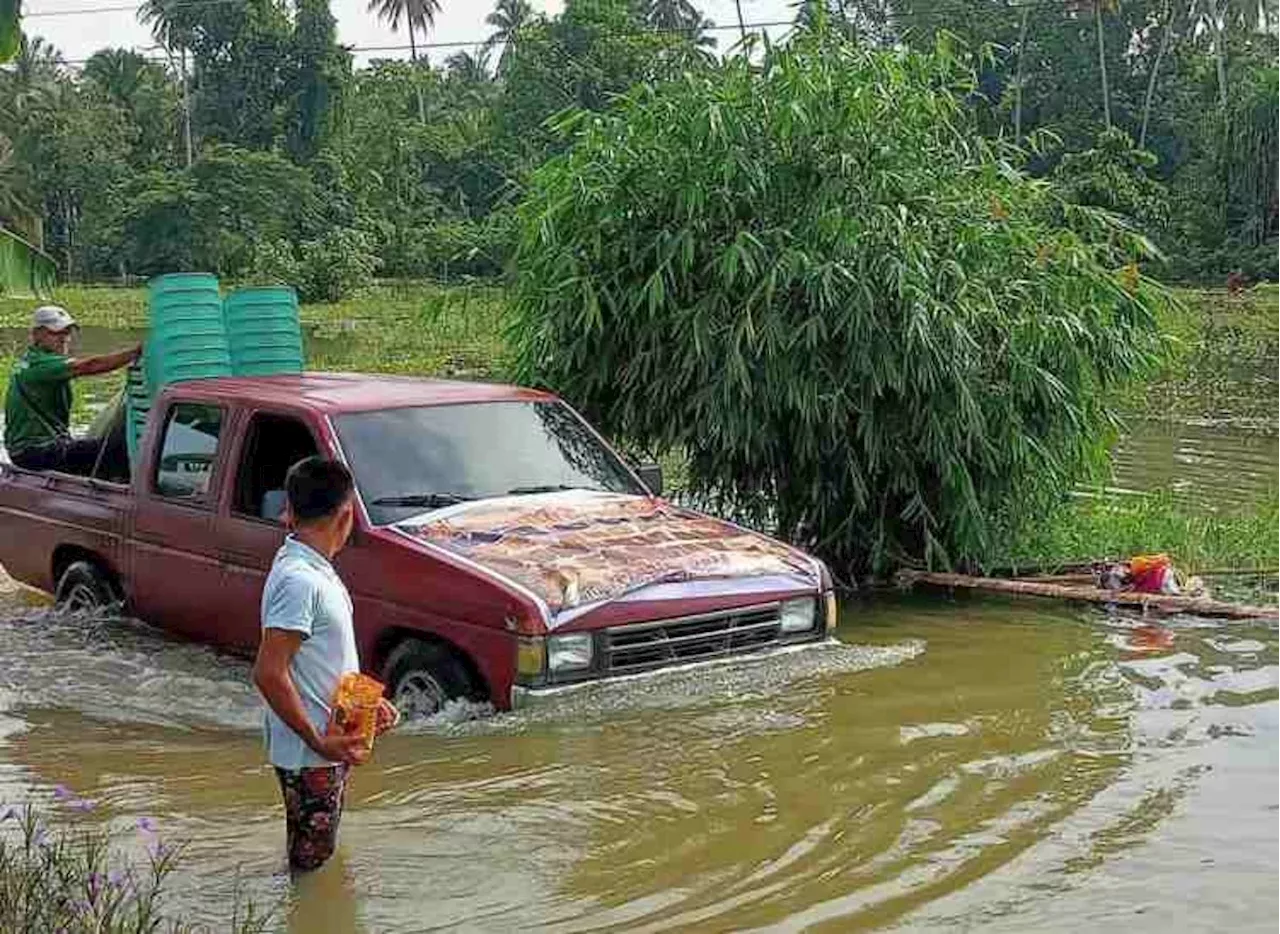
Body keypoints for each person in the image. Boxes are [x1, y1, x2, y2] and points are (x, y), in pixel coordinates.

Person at [252, 456, 398, 872]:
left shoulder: (313, 569)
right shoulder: (301, 581)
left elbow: (318, 659)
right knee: (311, 862)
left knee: (315, 852)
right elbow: (268, 671)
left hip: (327, 743)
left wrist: (367, 705)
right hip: (311, 751)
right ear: (347, 513)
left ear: (289, 511)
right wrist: (317, 740)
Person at [3, 305, 140, 474]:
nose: (64, 338)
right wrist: (135, 352)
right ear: (37, 334)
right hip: (34, 452)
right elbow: (90, 366)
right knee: (117, 450)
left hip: (29, 449)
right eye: (56, 332)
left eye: (67, 332)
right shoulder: (42, 365)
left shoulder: (32, 359)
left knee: (102, 448)